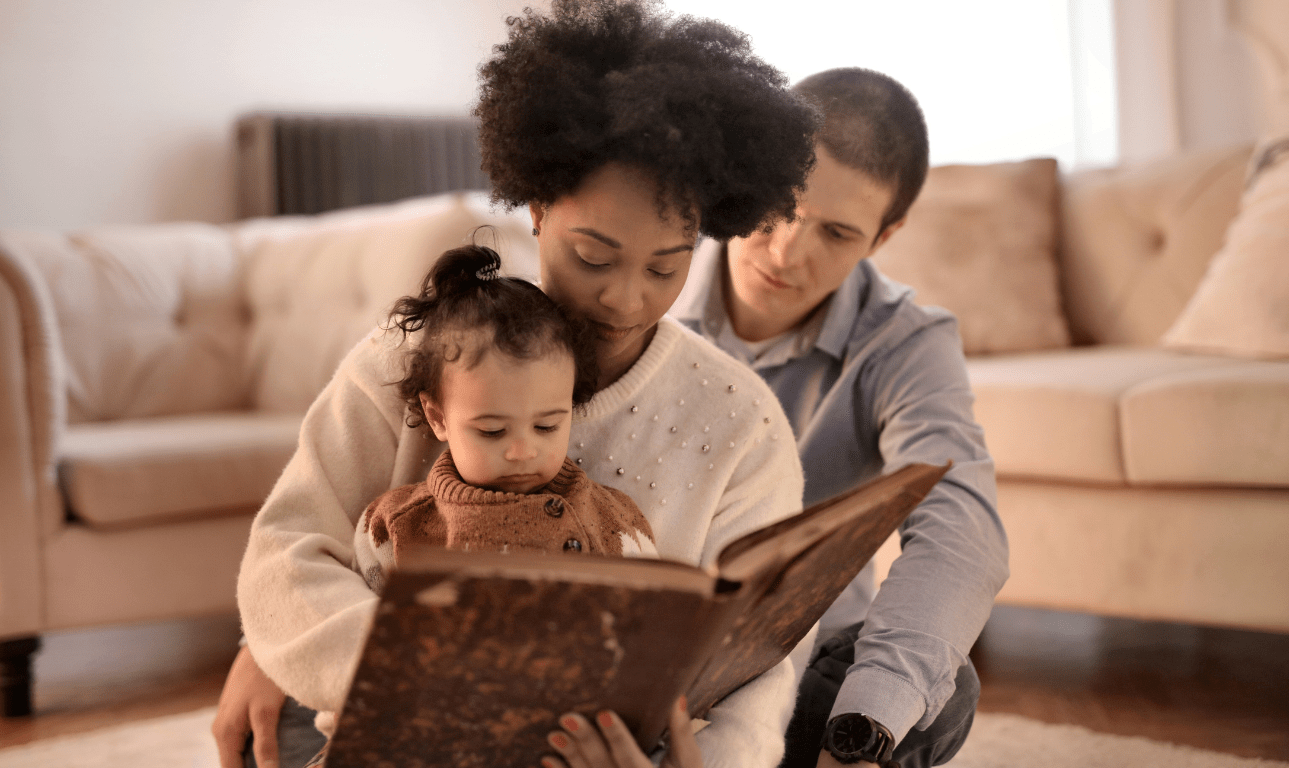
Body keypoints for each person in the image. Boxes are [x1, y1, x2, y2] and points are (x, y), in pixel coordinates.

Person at [212, 2, 822, 768]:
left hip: (617, 750)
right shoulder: (409, 360)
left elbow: (755, 661)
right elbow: (289, 550)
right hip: (403, 718)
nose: (627, 300)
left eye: (667, 266)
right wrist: (371, 672)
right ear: (536, 209)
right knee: (279, 725)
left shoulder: (740, 419)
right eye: (595, 257)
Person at [670, 68, 1009, 768]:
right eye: (782, 205)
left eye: (837, 232)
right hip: (645, 656)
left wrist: (863, 731)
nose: (788, 251)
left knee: (939, 691)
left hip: (791, 667)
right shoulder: (648, 281)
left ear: (885, 237)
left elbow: (963, 532)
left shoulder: (904, 342)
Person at [351, 244, 658, 600]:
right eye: (492, 431)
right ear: (437, 418)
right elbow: (371, 628)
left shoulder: (616, 519)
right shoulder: (395, 527)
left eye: (546, 427)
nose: (522, 451)